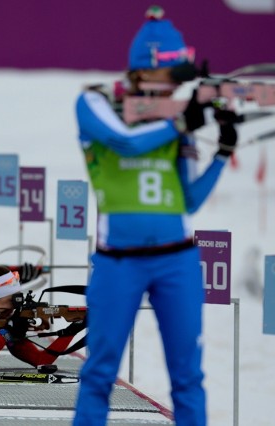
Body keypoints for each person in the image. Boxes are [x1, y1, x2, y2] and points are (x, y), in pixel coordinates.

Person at [72, 7, 239, 426]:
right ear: (145, 69)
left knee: (188, 376)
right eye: (172, 76)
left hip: (178, 260)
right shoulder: (97, 101)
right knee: (99, 373)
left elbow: (189, 200)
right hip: (118, 261)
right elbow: (124, 142)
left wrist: (222, 152)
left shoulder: (172, 123)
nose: (176, 87)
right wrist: (182, 121)